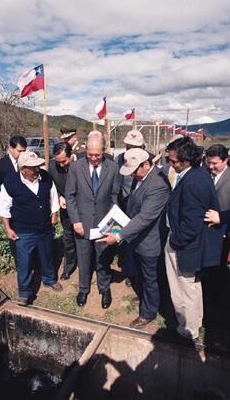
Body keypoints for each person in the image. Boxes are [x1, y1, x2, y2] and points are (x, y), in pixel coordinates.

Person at [98, 148, 170, 328]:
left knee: (150, 278)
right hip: (137, 238)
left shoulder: (158, 185)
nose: (133, 175)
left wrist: (119, 236)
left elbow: (145, 217)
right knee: (143, 276)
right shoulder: (142, 177)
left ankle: (148, 312)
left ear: (146, 164)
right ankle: (145, 300)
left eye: (135, 171)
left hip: (149, 242)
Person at [165, 137, 223, 341]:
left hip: (185, 245)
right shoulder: (198, 174)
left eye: (173, 161)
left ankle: (187, 330)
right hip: (189, 243)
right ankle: (195, 322)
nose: (170, 164)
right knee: (192, 287)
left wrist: (175, 241)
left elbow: (192, 223)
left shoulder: (193, 182)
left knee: (183, 289)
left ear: (186, 160)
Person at [0, 151, 62, 306]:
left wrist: (54, 214)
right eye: (32, 167)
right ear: (22, 169)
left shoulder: (46, 178)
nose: (36, 170)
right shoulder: (10, 183)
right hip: (23, 230)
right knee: (24, 261)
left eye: (37, 166)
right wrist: (8, 229)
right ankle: (25, 292)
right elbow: (4, 207)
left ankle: (49, 279)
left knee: (47, 255)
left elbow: (53, 198)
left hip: (45, 227)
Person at [66, 135, 120, 309]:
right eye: (90, 154)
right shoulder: (75, 167)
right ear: (86, 151)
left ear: (103, 151)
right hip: (82, 222)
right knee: (83, 258)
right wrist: (76, 221)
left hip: (104, 224)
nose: (93, 158)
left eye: (97, 154)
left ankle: (104, 288)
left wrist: (112, 224)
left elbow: (114, 197)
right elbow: (70, 195)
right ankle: (83, 289)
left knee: (103, 258)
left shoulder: (112, 168)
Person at [115, 129, 152, 288]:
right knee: (126, 242)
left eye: (136, 147)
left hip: (144, 207)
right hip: (125, 205)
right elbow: (116, 182)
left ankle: (142, 272)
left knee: (142, 241)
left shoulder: (149, 159)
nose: (131, 150)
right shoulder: (119, 159)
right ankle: (130, 272)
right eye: (129, 147)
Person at [205, 144, 230, 302]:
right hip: (205, 230)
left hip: (224, 232)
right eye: (209, 162)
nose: (211, 166)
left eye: (215, 163)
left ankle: (217, 298)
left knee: (218, 267)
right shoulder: (205, 174)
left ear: (225, 160)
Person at [48, 142, 77, 280]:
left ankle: (88, 265)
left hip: (83, 209)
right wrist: (59, 197)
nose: (61, 165)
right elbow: (52, 186)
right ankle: (69, 267)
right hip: (66, 210)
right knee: (68, 238)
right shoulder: (52, 166)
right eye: (58, 161)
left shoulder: (83, 163)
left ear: (72, 155)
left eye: (64, 161)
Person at [0, 135, 27, 215]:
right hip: (10, 208)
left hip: (27, 207)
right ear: (11, 148)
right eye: (19, 151)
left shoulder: (28, 164)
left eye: (24, 151)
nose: (22, 154)